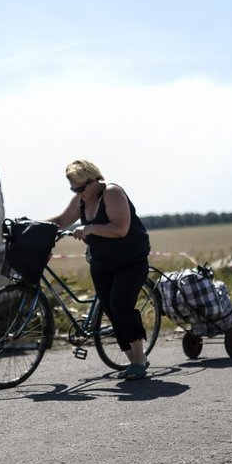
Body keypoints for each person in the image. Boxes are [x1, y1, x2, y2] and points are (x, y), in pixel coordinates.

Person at [48, 160, 152, 380]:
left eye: (81, 188)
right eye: (73, 189)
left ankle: (140, 359)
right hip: (102, 263)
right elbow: (61, 220)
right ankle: (131, 360)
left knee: (120, 305)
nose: (78, 193)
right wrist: (32, 226)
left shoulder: (112, 193)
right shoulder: (81, 199)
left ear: (95, 180)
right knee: (111, 311)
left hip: (130, 261)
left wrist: (90, 228)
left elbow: (120, 229)